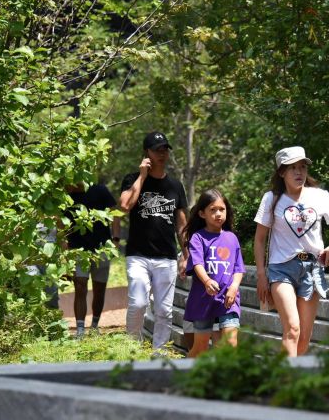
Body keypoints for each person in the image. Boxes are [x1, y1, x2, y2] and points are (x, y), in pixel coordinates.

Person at [254, 146, 329, 357]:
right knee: (292, 328)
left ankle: (290, 376)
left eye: (302, 167)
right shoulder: (271, 199)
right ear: (282, 172)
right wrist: (261, 275)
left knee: (304, 338)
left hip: (312, 269)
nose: (299, 172)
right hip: (281, 269)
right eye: (293, 168)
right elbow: (260, 239)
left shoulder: (319, 196)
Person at [119, 131, 188, 349]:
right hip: (138, 255)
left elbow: (182, 225)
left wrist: (187, 255)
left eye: (165, 149)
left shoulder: (175, 186)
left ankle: (159, 353)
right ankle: (132, 348)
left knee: (164, 310)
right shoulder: (132, 179)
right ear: (146, 153)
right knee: (138, 303)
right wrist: (142, 176)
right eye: (157, 149)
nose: (162, 153)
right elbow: (124, 206)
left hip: (166, 256)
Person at [183, 189, 245, 357]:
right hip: (203, 300)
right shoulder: (197, 238)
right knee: (200, 349)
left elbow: (239, 268)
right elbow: (197, 264)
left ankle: (225, 382)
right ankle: (186, 374)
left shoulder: (232, 238)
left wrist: (234, 287)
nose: (218, 214)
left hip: (228, 299)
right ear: (202, 214)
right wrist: (207, 281)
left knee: (230, 345)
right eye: (212, 210)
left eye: (222, 209)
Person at [64, 181, 118, 338]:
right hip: (77, 249)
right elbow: (61, 223)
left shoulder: (99, 189)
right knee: (80, 287)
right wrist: (64, 249)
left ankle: (94, 326)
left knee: (99, 289)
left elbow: (115, 214)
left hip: (102, 248)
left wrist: (115, 240)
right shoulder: (66, 195)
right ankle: (80, 330)